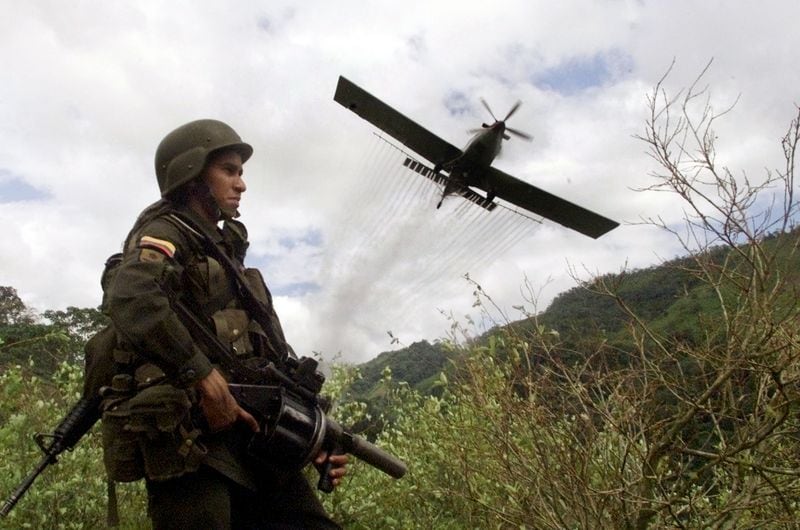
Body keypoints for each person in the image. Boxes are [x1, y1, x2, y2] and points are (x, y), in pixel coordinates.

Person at [100, 119, 347, 529]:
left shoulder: (223, 251)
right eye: (229, 171)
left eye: (241, 172)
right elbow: (130, 295)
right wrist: (200, 374)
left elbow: (255, 357)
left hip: (252, 441)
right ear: (193, 175)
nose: (241, 184)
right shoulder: (164, 233)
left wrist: (311, 439)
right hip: (194, 447)